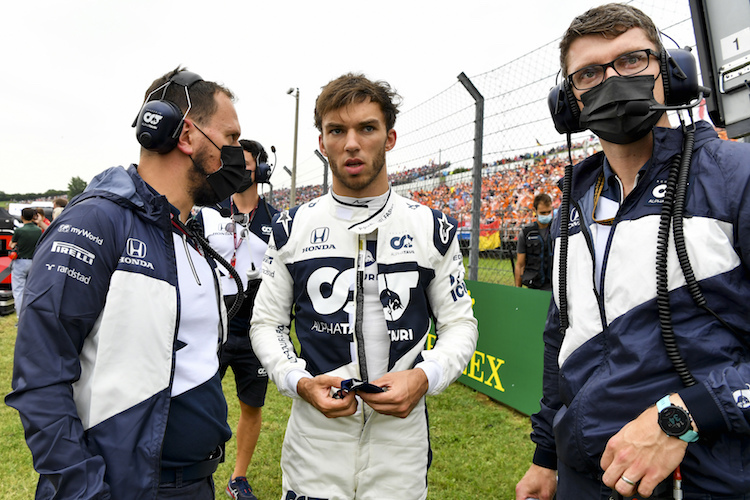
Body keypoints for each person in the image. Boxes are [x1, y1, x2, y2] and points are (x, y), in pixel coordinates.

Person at [516, 4, 750, 500]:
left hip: (707, 478)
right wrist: (546, 457)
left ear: (670, 73)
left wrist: (683, 418)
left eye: (632, 60)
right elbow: (563, 336)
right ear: (570, 102)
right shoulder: (570, 206)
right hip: (586, 476)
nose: (612, 80)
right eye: (589, 73)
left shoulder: (737, 174)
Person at [6, 67, 247, 499]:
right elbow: (41, 379)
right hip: (130, 487)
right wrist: (83, 490)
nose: (237, 155)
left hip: (195, 481)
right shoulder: (94, 221)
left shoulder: (185, 230)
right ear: (187, 136)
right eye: (229, 138)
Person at [250, 73, 478, 500]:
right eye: (337, 130)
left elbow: (460, 326)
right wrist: (298, 380)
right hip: (315, 439)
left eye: (366, 128)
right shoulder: (290, 228)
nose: (351, 143)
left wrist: (425, 377)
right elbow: (266, 324)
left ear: (389, 138)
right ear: (322, 143)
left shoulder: (432, 228)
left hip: (401, 442)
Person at [197, 139, 279, 500]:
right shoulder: (210, 214)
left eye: (246, 165)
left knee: (251, 406)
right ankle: (197, 469)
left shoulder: (277, 222)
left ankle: (238, 478)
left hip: (254, 333)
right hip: (212, 331)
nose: (239, 170)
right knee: (199, 400)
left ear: (261, 170)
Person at [514, 193, 553, 290]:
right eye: (543, 213)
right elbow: (520, 264)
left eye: (549, 212)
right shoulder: (526, 233)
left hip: (555, 284)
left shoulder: (558, 230)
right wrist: (518, 290)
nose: (547, 215)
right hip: (533, 285)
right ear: (534, 211)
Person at [9, 207, 42, 317]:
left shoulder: (19, 230)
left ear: (22, 217)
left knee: (19, 291)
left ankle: (20, 317)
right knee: (32, 290)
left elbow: (11, 245)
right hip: (34, 262)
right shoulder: (38, 230)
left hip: (20, 262)